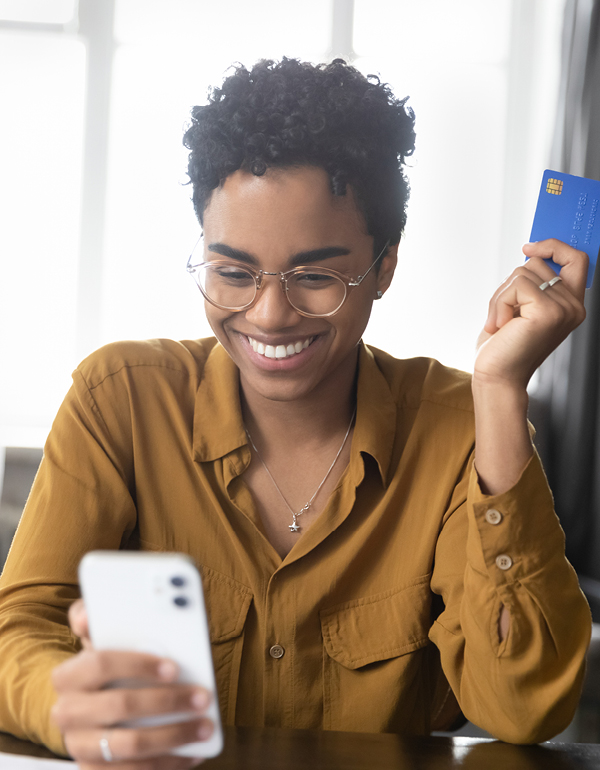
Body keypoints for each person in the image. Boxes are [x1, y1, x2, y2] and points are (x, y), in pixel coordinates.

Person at [0, 58, 592, 768]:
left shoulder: (459, 432)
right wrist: (64, 702)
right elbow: (18, 631)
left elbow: (522, 710)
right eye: (232, 271)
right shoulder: (119, 400)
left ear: (385, 268)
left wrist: (500, 390)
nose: (269, 314)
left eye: (315, 275)